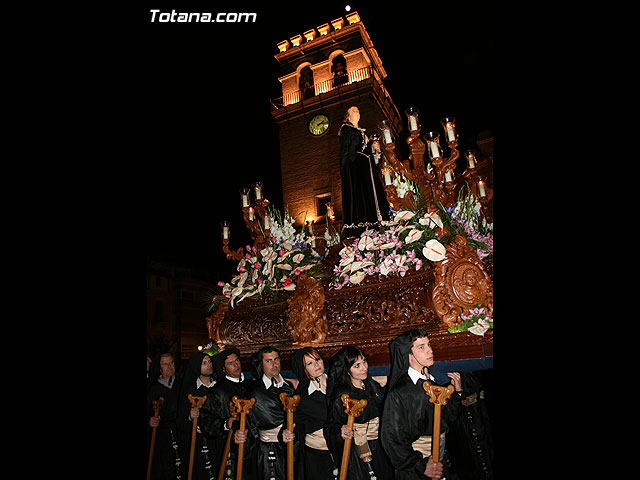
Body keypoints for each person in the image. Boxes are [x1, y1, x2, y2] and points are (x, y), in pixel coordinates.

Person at [380, 329, 464, 479]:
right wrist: (421, 465)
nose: (430, 350)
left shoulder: (431, 382)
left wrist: (457, 393)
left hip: (439, 459)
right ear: (409, 355)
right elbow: (392, 439)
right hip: (416, 470)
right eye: (421, 347)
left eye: (429, 345)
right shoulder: (399, 393)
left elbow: (445, 420)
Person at [324, 346, 393, 480]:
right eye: (357, 365)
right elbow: (331, 425)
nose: (364, 368)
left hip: (378, 445)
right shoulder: (343, 394)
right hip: (357, 449)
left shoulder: (370, 385)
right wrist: (340, 431)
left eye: (364, 362)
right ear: (347, 370)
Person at [234, 346, 298, 480]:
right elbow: (247, 423)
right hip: (269, 449)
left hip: (294, 448)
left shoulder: (291, 387)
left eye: (276, 359)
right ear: (261, 364)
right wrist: (240, 433)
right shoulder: (255, 392)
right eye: (268, 361)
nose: (274, 364)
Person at [198, 347, 254, 480]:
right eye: (230, 363)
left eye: (237, 361)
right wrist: (225, 423)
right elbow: (206, 422)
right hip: (231, 450)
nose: (236, 365)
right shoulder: (218, 392)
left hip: (254, 448)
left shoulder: (252, 386)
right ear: (223, 369)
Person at [339, 105, 390, 238]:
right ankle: (361, 228)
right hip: (357, 170)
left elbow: (368, 153)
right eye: (353, 111)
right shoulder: (346, 129)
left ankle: (378, 224)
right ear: (348, 116)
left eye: (358, 110)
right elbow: (348, 151)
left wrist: (375, 149)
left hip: (367, 170)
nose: (356, 112)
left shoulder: (363, 132)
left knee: (373, 196)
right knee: (360, 196)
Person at [290, 347, 338, 480]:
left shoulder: (338, 384)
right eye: (310, 363)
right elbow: (297, 425)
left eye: (318, 359)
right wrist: (289, 433)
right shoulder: (302, 396)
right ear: (303, 369)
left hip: (342, 450)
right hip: (317, 455)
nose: (317, 365)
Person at [177, 351, 218, 480]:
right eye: (204, 363)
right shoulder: (190, 391)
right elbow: (181, 422)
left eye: (209, 362)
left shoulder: (218, 387)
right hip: (199, 443)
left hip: (216, 441)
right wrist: (190, 417)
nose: (209, 365)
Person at [147, 353, 184, 480]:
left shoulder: (182, 385)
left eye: (171, 363)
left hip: (180, 432)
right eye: (165, 364)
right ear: (159, 368)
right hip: (161, 436)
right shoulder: (152, 388)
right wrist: (149, 420)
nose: (169, 367)